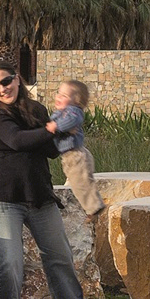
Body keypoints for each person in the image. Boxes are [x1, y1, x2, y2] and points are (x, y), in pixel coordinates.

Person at [0, 57, 92, 299]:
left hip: (40, 196)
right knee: (10, 263)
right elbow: (18, 141)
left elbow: (51, 150)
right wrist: (53, 129)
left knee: (60, 257)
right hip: (5, 199)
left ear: (17, 79)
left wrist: (70, 131)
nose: (2, 89)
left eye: (6, 81)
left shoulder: (37, 109)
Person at [45, 79, 105, 216]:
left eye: (64, 96)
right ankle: (89, 209)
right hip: (69, 156)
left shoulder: (73, 111)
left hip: (76, 155)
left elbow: (73, 120)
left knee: (82, 183)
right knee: (77, 183)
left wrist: (57, 126)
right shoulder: (61, 112)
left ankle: (95, 208)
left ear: (76, 101)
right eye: (58, 93)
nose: (59, 97)